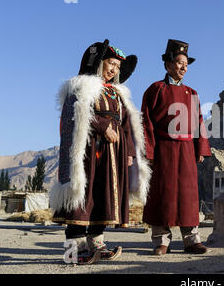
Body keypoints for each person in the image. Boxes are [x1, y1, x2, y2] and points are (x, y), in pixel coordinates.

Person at [50, 39, 151, 265]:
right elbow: (75, 114)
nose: (114, 69)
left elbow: (127, 123)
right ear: (98, 63)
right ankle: (73, 250)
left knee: (105, 195)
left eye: (117, 66)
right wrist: (102, 126)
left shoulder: (117, 93)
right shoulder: (80, 86)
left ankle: (97, 243)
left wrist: (130, 152)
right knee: (82, 196)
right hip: (88, 153)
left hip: (113, 154)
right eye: (110, 63)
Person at [141, 39, 212, 255]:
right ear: (168, 64)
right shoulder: (156, 89)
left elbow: (199, 121)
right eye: (180, 63)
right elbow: (146, 122)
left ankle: (192, 240)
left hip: (186, 151)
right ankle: (161, 241)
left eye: (186, 64)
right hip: (163, 150)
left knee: (188, 197)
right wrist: (149, 152)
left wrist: (200, 148)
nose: (183, 67)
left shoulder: (192, 93)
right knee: (162, 195)